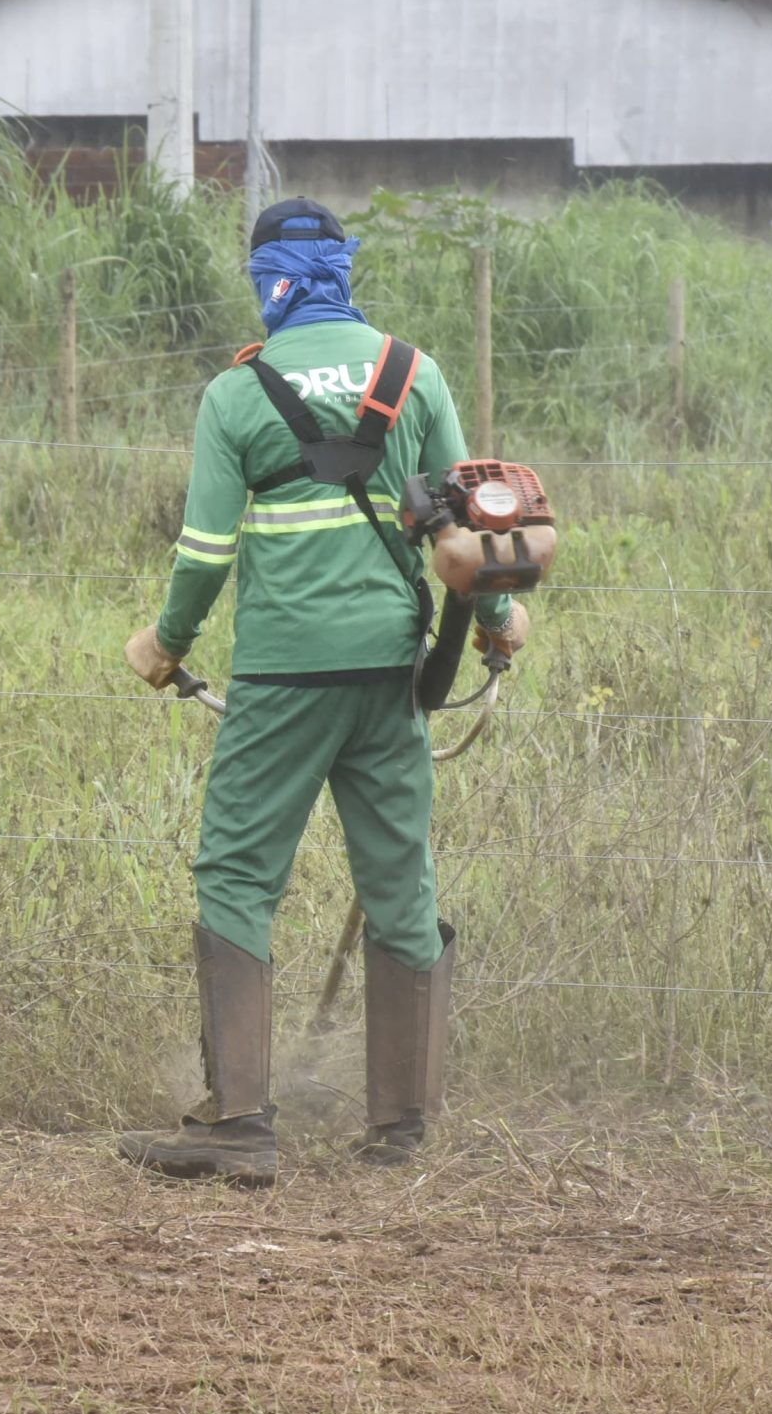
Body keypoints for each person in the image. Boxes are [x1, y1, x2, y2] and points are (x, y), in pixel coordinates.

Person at [118, 198, 531, 1187]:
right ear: (341, 270)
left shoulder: (237, 392)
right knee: (398, 879)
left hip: (282, 675)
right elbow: (470, 533)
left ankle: (242, 1126)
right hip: (394, 672)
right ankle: (401, 1130)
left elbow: (207, 550)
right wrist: (493, 623)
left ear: (268, 278)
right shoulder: (411, 372)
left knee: (235, 872)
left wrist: (164, 643)